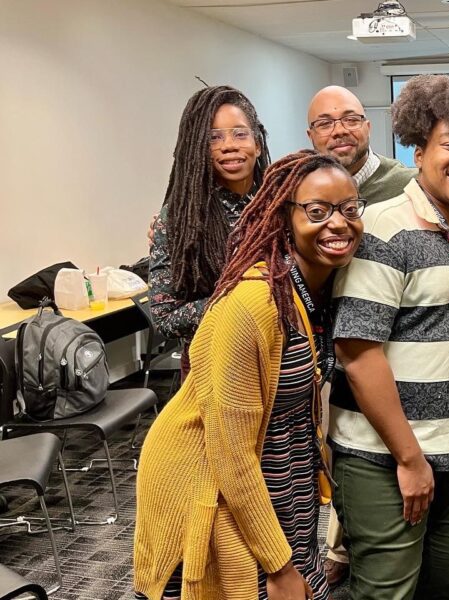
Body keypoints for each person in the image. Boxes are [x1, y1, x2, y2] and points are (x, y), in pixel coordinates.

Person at [133, 150, 365, 599]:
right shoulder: (253, 304)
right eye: (317, 211)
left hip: (276, 473)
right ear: (282, 217)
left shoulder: (314, 289)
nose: (339, 223)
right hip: (209, 480)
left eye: (350, 209)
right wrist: (278, 564)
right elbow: (231, 452)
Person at [327, 73, 449, 600]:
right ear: (418, 148)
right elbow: (358, 356)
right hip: (385, 457)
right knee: (389, 590)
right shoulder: (383, 229)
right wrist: (410, 459)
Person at [306, 84, 417, 586]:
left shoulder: (407, 185)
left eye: (350, 118)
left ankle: (356, 543)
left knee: (380, 436)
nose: (340, 130)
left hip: (388, 343)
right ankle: (342, 538)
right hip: (320, 345)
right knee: (336, 441)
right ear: (311, 135)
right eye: (326, 123)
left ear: (370, 126)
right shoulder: (304, 186)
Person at [149, 85, 270, 378]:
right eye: (213, 138)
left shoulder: (282, 205)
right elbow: (164, 317)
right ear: (198, 149)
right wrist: (241, 298)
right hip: (215, 370)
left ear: (257, 142)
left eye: (240, 133)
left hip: (284, 364)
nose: (229, 145)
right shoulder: (182, 219)